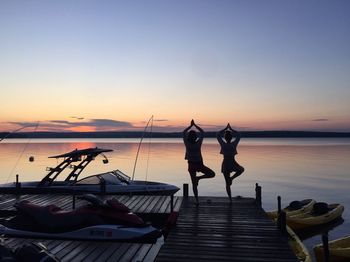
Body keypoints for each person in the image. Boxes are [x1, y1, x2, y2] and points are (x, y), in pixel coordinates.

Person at [183, 119, 215, 205]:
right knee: (212, 174)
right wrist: (195, 125)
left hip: (192, 165)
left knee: (194, 184)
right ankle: (198, 179)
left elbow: (183, 133)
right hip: (198, 164)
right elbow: (202, 132)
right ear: (195, 137)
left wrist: (190, 126)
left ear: (189, 137)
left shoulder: (187, 143)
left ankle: (197, 200)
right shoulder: (198, 143)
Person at [217, 123, 244, 202]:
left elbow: (218, 135)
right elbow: (238, 135)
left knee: (227, 182)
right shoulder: (233, 144)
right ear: (231, 137)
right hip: (231, 162)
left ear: (225, 137)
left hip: (226, 162)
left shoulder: (223, 144)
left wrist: (225, 129)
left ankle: (230, 199)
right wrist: (231, 129)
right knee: (241, 170)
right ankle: (231, 179)